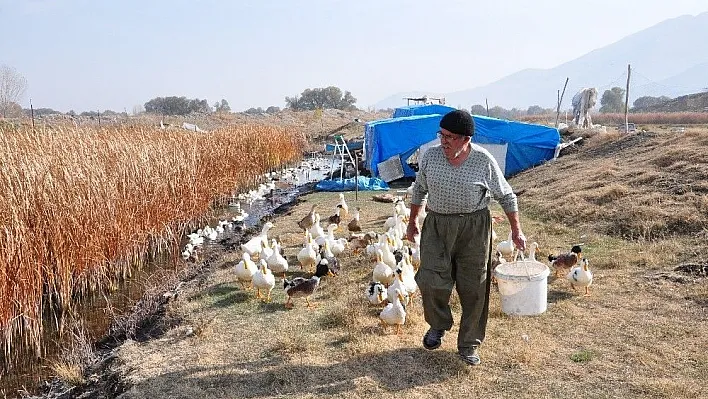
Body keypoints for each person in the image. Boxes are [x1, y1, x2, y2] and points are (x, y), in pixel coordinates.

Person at [406, 109, 526, 366]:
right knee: (430, 279)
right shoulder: (431, 157)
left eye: (450, 137)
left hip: (474, 229)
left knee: (474, 287)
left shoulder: (483, 161)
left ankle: (469, 344)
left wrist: (516, 230)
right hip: (437, 225)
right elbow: (419, 190)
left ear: (466, 139)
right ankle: (438, 325)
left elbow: (506, 196)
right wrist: (412, 221)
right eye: (442, 135)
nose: (444, 141)